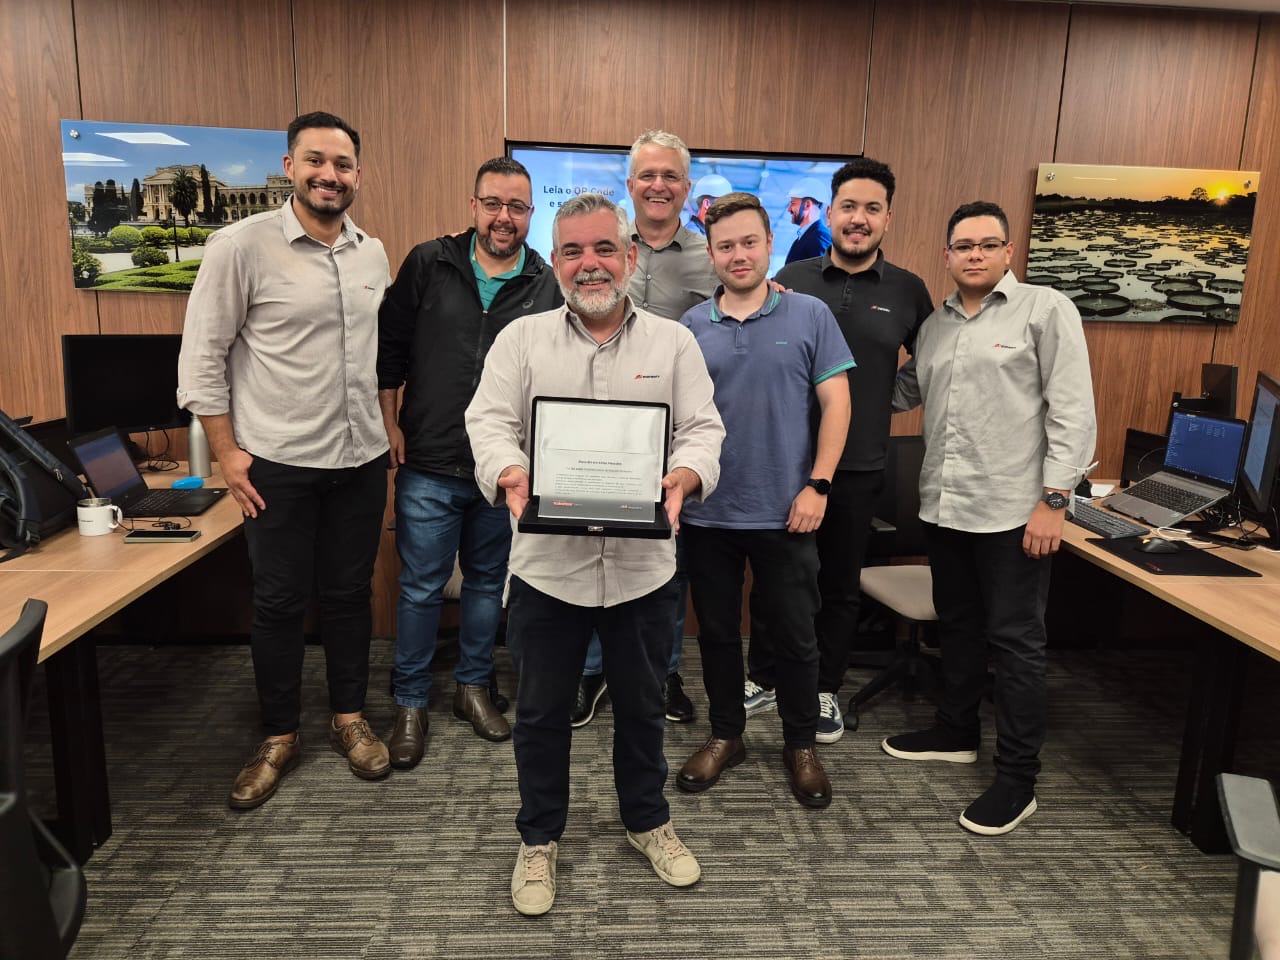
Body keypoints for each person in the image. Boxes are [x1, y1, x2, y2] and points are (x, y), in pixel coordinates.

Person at [465, 193, 725, 916]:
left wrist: (685, 475)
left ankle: (648, 821)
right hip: (548, 569)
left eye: (605, 248)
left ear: (630, 256)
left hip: (644, 571)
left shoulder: (673, 344)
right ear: (554, 261)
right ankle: (538, 837)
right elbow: (488, 422)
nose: (590, 264)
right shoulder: (521, 341)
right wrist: (509, 470)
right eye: (573, 251)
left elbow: (703, 429)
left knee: (642, 708)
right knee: (542, 713)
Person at [177, 111, 393, 809]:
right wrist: (227, 453)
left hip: (360, 457)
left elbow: (375, 360)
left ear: (358, 174)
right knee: (277, 601)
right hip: (277, 461)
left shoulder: (372, 252)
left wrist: (388, 431)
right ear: (290, 167)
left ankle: (348, 718)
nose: (330, 175)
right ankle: (279, 735)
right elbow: (202, 358)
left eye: (343, 164)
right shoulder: (240, 246)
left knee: (349, 595)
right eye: (316, 161)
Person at [882, 200, 1096, 836]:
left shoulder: (1045, 310)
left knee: (1016, 644)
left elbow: (1073, 410)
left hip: (1014, 512)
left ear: (1008, 252)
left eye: (987, 244)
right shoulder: (935, 326)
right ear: (946, 255)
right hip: (947, 505)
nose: (974, 254)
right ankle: (956, 732)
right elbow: (900, 393)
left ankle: (1017, 779)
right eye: (963, 245)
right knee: (958, 627)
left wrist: (1054, 501)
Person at [376, 157, 561, 765]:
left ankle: (472, 688)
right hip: (429, 459)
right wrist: (390, 422)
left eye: (517, 207)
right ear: (473, 206)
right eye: (493, 204)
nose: (504, 217)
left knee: (486, 584)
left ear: (530, 214)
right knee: (421, 587)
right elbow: (390, 348)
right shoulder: (429, 262)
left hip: (503, 469)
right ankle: (410, 701)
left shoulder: (545, 281)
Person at [746, 158, 933, 743]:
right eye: (848, 206)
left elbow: (931, 363)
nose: (859, 219)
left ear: (887, 219)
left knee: (839, 585)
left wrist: (881, 402)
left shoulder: (908, 290)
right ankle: (763, 676)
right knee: (776, 579)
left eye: (872, 209)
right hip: (785, 461)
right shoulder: (791, 277)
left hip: (858, 466)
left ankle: (824, 687)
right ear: (830, 213)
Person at [676, 192, 853, 810]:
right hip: (708, 512)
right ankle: (727, 735)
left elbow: (837, 403)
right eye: (725, 246)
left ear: (769, 243)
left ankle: (800, 744)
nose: (738, 255)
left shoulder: (809, 314)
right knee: (717, 634)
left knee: (796, 635)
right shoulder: (691, 326)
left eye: (749, 242)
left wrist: (819, 484)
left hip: (789, 510)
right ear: (711, 253)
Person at [571, 130, 718, 728]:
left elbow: (743, 303)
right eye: (647, 175)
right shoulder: (602, 246)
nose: (659, 185)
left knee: (666, 563)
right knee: (590, 551)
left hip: (671, 439)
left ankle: (663, 673)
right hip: (596, 434)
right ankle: (590, 672)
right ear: (630, 184)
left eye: (670, 175)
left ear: (686, 186)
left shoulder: (711, 256)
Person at [784, 177, 832, 264]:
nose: (788, 209)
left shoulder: (819, 236)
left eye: (793, 203)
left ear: (807, 205)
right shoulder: (802, 238)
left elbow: (823, 271)